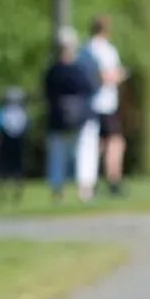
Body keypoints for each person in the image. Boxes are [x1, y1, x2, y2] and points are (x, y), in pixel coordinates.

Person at [44, 26, 100, 203]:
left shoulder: (53, 71)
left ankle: (58, 191)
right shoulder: (83, 69)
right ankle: (85, 190)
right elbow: (93, 89)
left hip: (58, 118)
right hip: (82, 117)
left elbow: (47, 94)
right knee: (85, 153)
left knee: (58, 155)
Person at [78, 14, 129, 195]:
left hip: (89, 103)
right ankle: (113, 180)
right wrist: (121, 74)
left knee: (96, 144)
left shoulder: (84, 49)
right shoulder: (105, 50)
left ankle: (93, 178)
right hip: (104, 102)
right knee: (115, 142)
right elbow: (106, 75)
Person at [0, 86, 29, 205]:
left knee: (3, 170)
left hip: (4, 146)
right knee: (17, 170)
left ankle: (3, 194)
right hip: (17, 146)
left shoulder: (2, 112)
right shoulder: (22, 113)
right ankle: (16, 192)